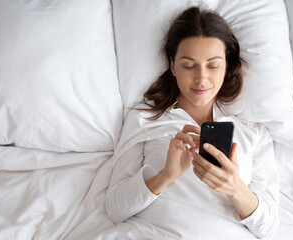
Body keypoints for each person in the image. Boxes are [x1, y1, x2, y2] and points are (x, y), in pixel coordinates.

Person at [106, 7, 278, 239]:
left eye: (213, 65)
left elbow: (269, 228)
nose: (201, 78)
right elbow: (115, 210)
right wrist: (165, 175)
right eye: (189, 65)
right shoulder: (145, 120)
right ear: (172, 66)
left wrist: (235, 188)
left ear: (226, 66)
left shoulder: (253, 131)